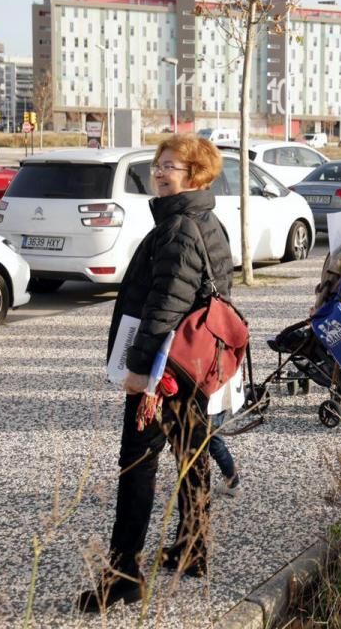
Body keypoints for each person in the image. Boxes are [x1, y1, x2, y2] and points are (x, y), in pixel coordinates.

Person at [78, 135, 233, 613]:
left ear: (197, 176)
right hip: (196, 365)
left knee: (137, 466)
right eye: (160, 164)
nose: (161, 172)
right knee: (192, 455)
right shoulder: (205, 220)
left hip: (166, 373)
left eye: (172, 166)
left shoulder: (178, 227)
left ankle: (124, 575)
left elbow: (164, 307)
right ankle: (193, 548)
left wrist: (139, 370)